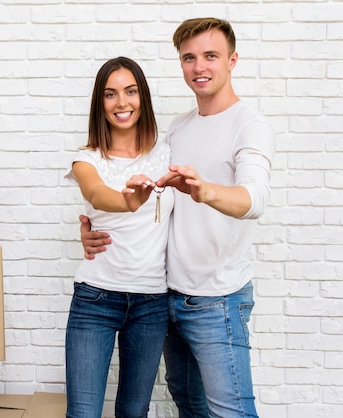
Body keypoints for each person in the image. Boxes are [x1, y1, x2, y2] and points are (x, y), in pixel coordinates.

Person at [80, 18, 276, 418]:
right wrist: (92, 229)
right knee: (189, 405)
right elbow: (144, 203)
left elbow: (254, 198)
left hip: (218, 300)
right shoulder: (178, 129)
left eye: (210, 56)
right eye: (189, 57)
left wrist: (207, 192)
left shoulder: (250, 126)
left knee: (232, 411)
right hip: (165, 299)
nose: (199, 66)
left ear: (232, 60)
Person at [64, 57, 174, 418]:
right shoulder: (87, 159)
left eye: (130, 91)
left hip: (151, 303)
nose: (121, 103)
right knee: (83, 413)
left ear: (143, 96)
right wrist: (128, 200)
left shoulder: (168, 152)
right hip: (96, 299)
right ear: (100, 103)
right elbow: (97, 195)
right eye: (110, 94)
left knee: (133, 411)